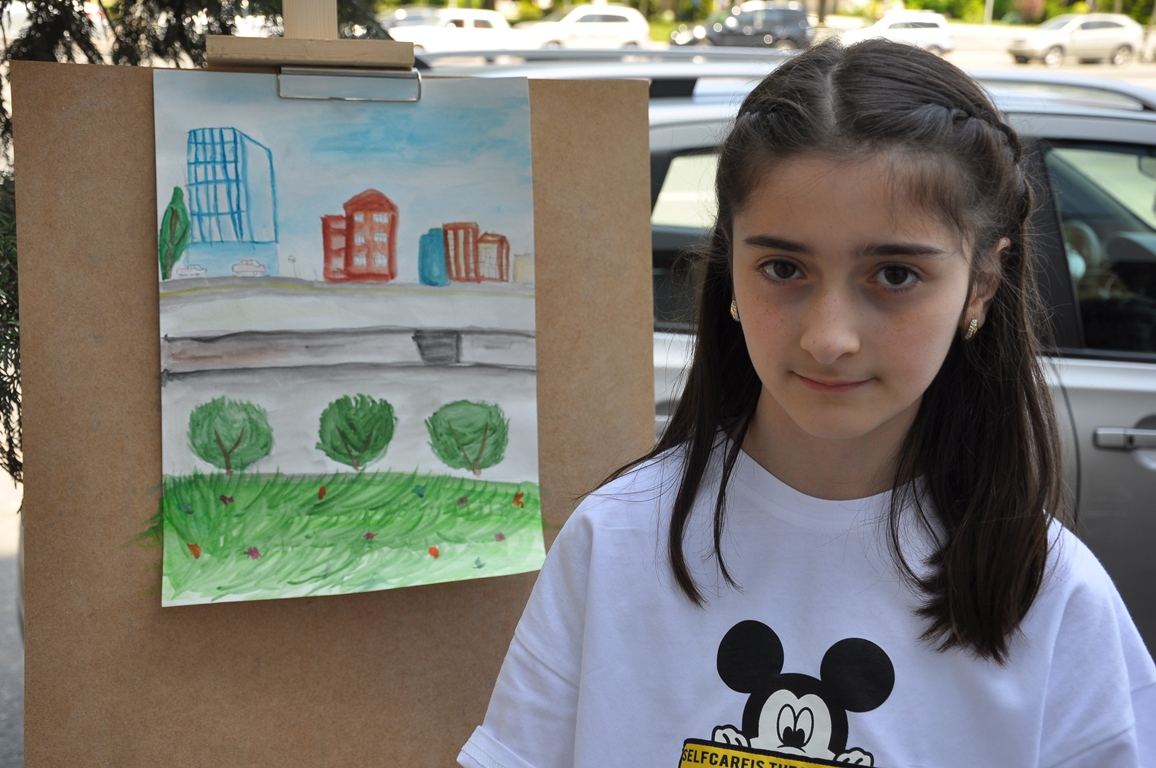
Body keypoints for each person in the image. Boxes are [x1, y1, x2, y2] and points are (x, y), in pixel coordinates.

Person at [458, 39, 1156, 768]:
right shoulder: (615, 542)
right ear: (730, 266)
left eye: (894, 274)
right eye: (784, 268)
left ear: (981, 283)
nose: (829, 339)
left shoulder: (1051, 596)